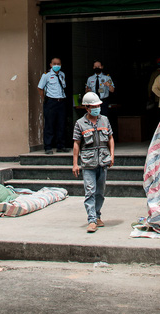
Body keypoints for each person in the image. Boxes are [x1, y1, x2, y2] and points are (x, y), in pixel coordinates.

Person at [72, 92, 114, 233]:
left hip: (102, 161)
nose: (97, 108)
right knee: (90, 191)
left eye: (98, 106)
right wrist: (75, 163)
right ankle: (91, 220)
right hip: (88, 163)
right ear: (87, 108)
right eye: (94, 106)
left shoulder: (105, 120)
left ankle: (97, 215)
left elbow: (110, 138)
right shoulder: (80, 124)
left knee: (100, 192)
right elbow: (77, 144)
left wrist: (112, 155)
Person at [38, 57, 68, 154]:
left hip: (61, 101)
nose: (56, 65)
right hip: (51, 102)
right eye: (54, 64)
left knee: (61, 124)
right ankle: (48, 147)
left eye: (58, 64)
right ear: (50, 65)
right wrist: (44, 99)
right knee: (49, 125)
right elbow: (40, 88)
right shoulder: (46, 75)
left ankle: (61, 146)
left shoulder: (62, 74)